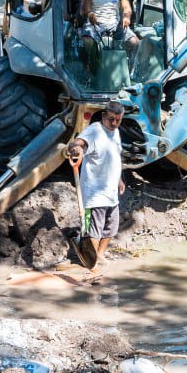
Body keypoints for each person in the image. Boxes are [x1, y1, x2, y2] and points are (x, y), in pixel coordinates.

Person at [64, 101, 126, 271]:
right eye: (111, 119)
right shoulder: (94, 131)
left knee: (111, 227)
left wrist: (119, 179)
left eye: (118, 120)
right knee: (94, 230)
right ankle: (91, 260)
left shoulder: (116, 132)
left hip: (111, 192)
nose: (114, 123)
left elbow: (114, 157)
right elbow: (79, 142)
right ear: (104, 116)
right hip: (95, 192)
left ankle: (98, 254)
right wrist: (75, 148)